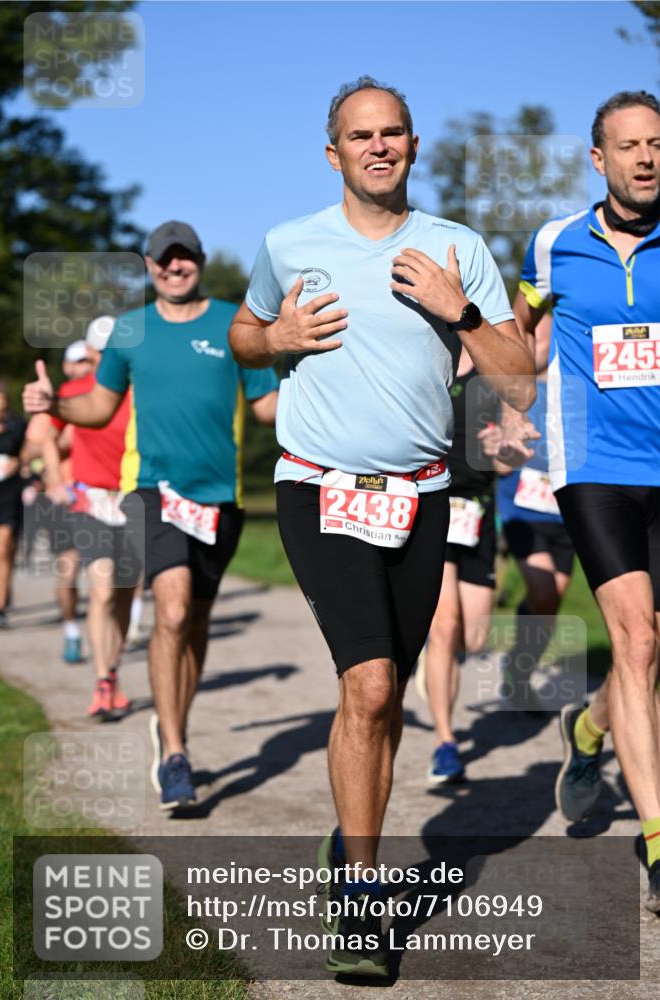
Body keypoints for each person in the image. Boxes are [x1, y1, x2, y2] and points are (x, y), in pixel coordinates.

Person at [229, 76, 535, 976]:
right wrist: (274, 341)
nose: (377, 146)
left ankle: (346, 836)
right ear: (334, 153)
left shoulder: (455, 247)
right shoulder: (289, 244)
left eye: (392, 132)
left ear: (410, 145)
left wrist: (462, 312)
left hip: (419, 494)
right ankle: (362, 897)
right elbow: (247, 334)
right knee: (366, 686)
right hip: (316, 486)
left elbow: (517, 377)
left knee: (387, 689)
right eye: (359, 135)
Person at [24, 221, 278, 810]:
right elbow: (99, 404)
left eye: (184, 257)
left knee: (195, 624)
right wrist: (56, 403)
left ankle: (173, 726)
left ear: (200, 262)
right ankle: (175, 751)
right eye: (164, 259)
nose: (174, 267)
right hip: (152, 492)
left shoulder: (235, 324)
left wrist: (324, 388)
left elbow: (266, 406)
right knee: (172, 608)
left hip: (220, 497)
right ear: (148, 264)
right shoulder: (129, 330)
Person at [514, 91, 660, 912]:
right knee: (634, 638)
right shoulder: (553, 244)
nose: (645, 158)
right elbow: (524, 339)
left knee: (649, 650)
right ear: (597, 159)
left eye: (656, 144)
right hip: (593, 462)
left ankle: (589, 728)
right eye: (627, 146)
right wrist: (504, 407)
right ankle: (655, 838)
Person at [43, 317, 138, 719]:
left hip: (135, 500)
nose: (101, 358)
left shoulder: (142, 390)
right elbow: (48, 434)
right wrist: (53, 478)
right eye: (97, 351)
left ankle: (112, 672)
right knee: (101, 591)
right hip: (91, 499)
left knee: (124, 594)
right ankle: (102, 680)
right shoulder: (76, 389)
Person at [421, 351, 502, 785]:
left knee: (474, 634)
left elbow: (509, 461)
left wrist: (504, 448)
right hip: (433, 504)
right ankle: (445, 743)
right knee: (445, 626)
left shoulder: (495, 368)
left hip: (478, 512)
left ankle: (434, 665)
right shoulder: (429, 357)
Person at [496, 314, 576, 714]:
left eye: (549, 334)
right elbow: (494, 457)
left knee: (551, 603)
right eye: (535, 334)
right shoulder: (508, 390)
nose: (542, 340)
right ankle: (517, 669)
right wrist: (503, 450)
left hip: (566, 512)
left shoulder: (572, 388)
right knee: (543, 591)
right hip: (521, 510)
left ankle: (519, 671)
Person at [23, 340, 93, 662]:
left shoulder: (110, 395)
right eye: (78, 361)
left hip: (106, 493)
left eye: (90, 360)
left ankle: (125, 625)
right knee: (69, 568)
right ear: (67, 366)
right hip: (66, 497)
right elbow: (28, 451)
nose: (85, 366)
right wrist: (59, 446)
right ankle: (71, 630)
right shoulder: (55, 401)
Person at [0, 381, 27, 627]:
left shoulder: (17, 426)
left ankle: (1, 605)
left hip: (9, 493)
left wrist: (19, 463)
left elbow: (30, 452)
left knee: (4, 547)